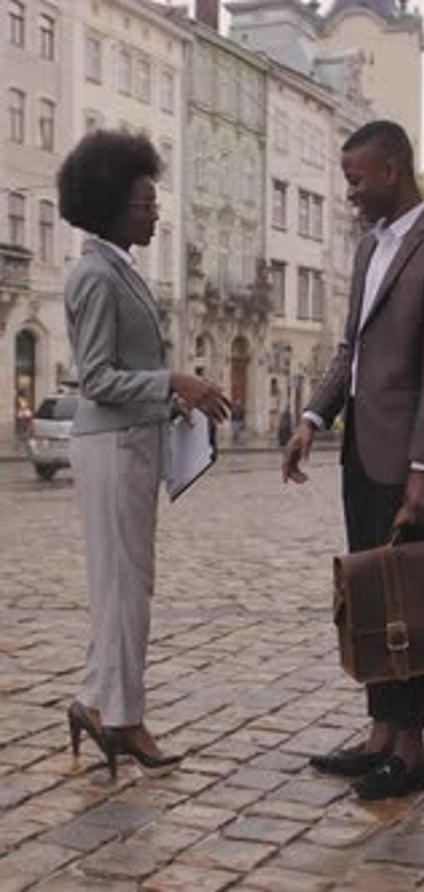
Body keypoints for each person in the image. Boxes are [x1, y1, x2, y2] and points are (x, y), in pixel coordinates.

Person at [283, 120, 424, 800]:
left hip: (409, 461)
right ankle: (379, 736)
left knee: (412, 600)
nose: (350, 193)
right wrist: (313, 417)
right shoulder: (370, 247)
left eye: (356, 180)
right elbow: (353, 350)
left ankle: (412, 749)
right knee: (370, 595)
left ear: (393, 170)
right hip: (362, 451)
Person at [58, 130, 230, 780]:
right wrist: (172, 382)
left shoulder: (118, 269)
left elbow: (123, 372)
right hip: (111, 446)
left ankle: (97, 702)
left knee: (124, 585)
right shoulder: (95, 276)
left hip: (130, 440)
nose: (155, 214)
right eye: (144, 204)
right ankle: (123, 719)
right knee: (124, 587)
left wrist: (169, 402)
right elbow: (97, 378)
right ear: (109, 204)